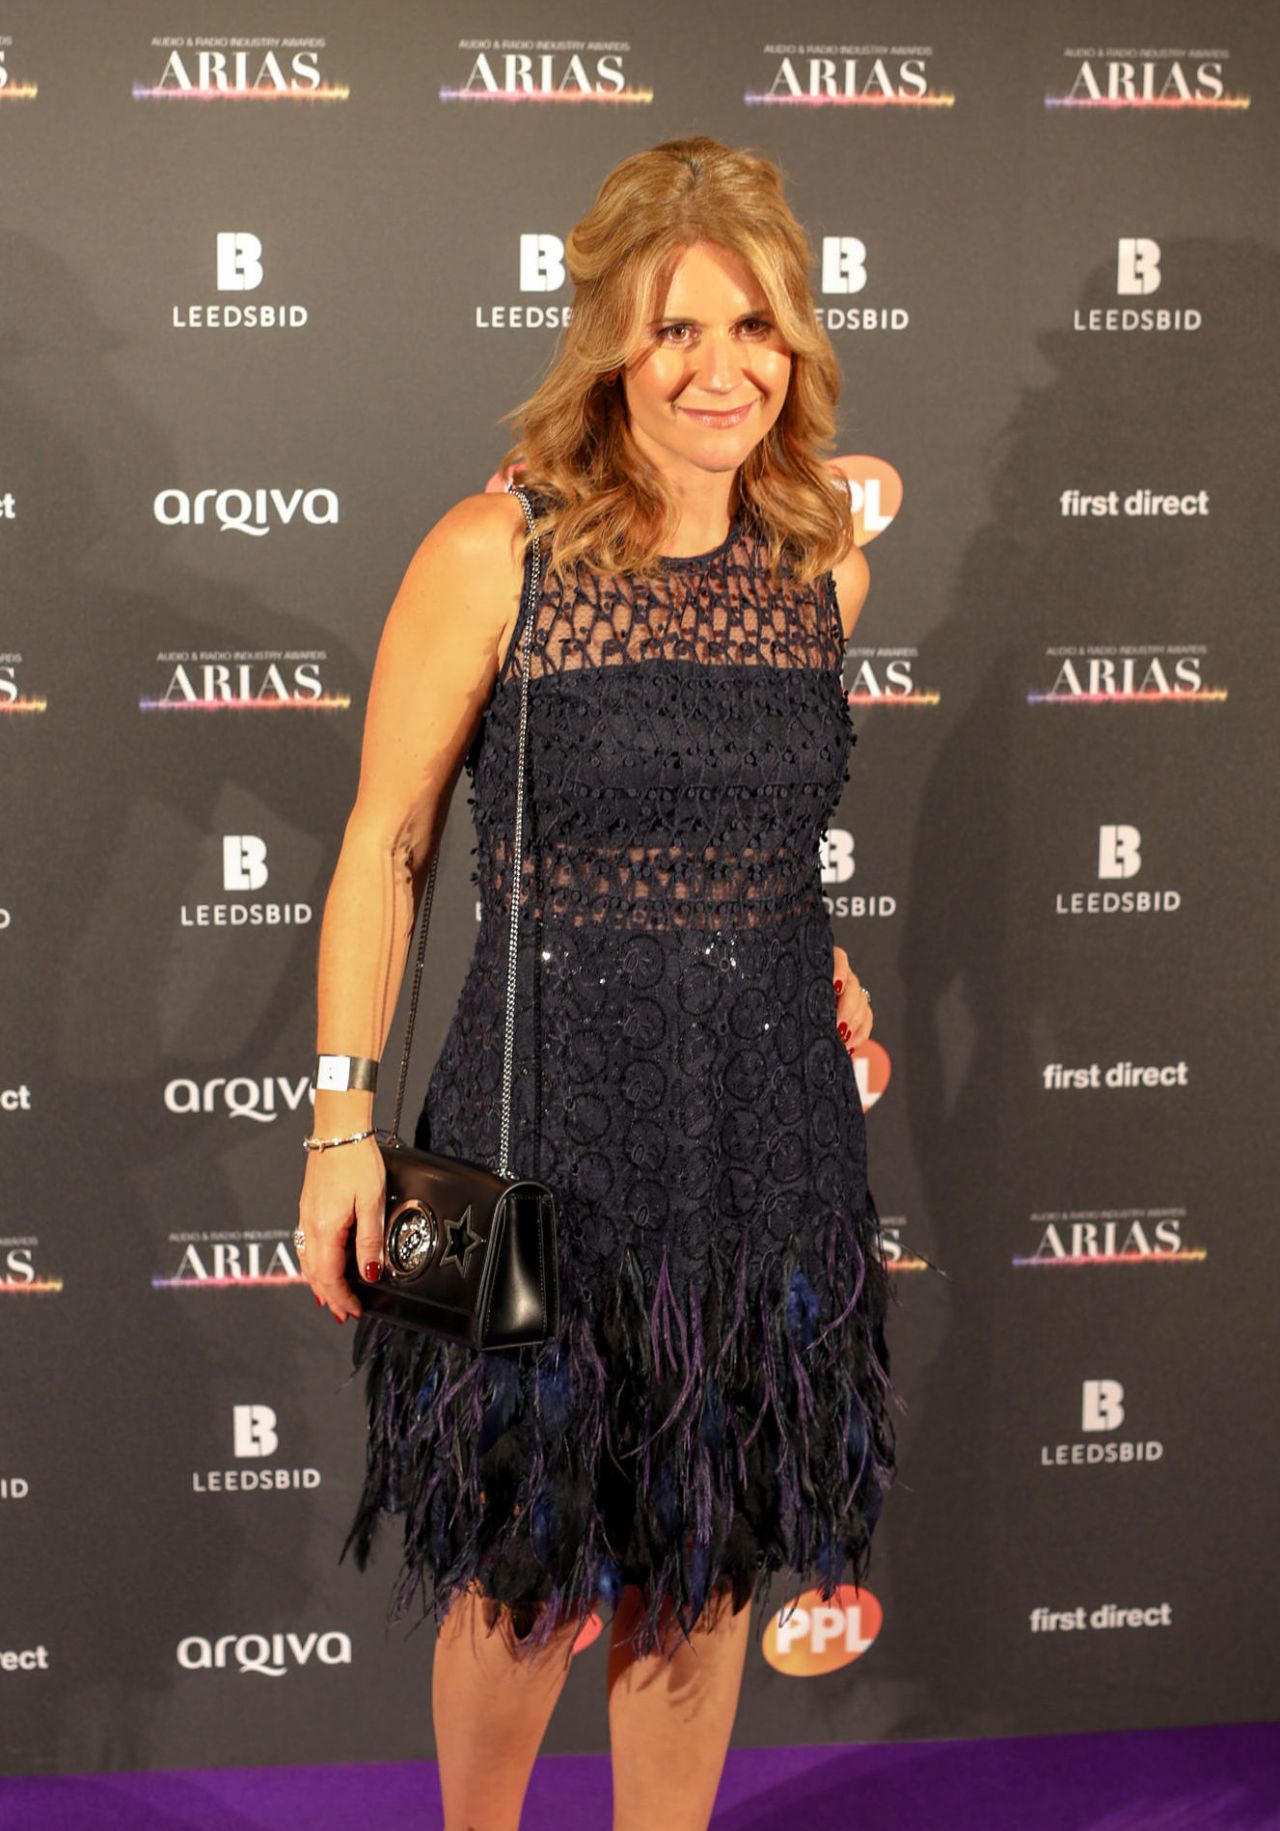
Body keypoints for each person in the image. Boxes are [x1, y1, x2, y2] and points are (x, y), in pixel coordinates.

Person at [296, 134, 901, 1831]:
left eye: (755, 326)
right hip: (522, 1133)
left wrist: (810, 950)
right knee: (517, 1564)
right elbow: (387, 845)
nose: (721, 369)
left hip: (764, 1137)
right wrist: (341, 1130)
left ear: (798, 342)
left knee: (704, 1556)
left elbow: (746, 832)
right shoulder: (496, 552)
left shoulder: (822, 572)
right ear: (609, 347)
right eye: (675, 328)